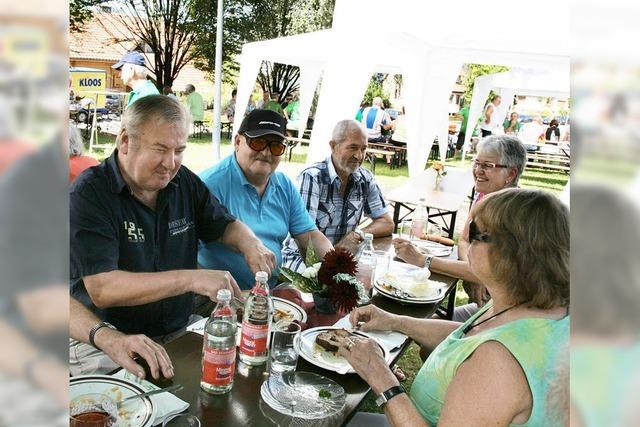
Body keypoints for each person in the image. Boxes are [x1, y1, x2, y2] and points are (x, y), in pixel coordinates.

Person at [70, 95, 275, 375]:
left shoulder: (183, 182)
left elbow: (224, 224)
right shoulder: (89, 194)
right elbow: (104, 289)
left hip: (177, 326)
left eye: (179, 150)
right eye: (160, 149)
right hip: (105, 334)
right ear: (125, 141)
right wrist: (192, 279)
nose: (170, 163)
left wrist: (251, 244)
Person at [344, 188, 569, 426]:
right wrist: (395, 321)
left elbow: (484, 354)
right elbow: (466, 337)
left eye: (474, 231)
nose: (466, 238)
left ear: (510, 252)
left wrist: (380, 376)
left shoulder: (497, 364)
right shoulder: (538, 307)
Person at [394, 135, 527, 322]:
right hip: (490, 306)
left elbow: (493, 272)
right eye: (476, 163)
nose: (478, 171)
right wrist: (474, 272)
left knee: (424, 326)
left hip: (510, 316)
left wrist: (422, 259)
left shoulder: (514, 213)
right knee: (425, 323)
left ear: (511, 174)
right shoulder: (484, 197)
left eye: (487, 166)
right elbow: (464, 239)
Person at [198, 109, 333, 289]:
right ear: (238, 142)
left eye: (276, 146)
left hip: (271, 290)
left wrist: (337, 270)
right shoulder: (209, 185)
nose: (266, 152)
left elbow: (309, 236)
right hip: (221, 298)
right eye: (258, 142)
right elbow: (183, 255)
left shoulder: (284, 185)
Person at [282, 120, 394, 272]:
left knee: (379, 277)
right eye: (353, 147)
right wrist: (335, 263)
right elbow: (306, 240)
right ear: (333, 146)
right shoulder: (313, 177)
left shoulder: (365, 178)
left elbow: (386, 223)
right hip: (303, 260)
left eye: (363, 148)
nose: (359, 156)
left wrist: (357, 234)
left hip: (341, 262)